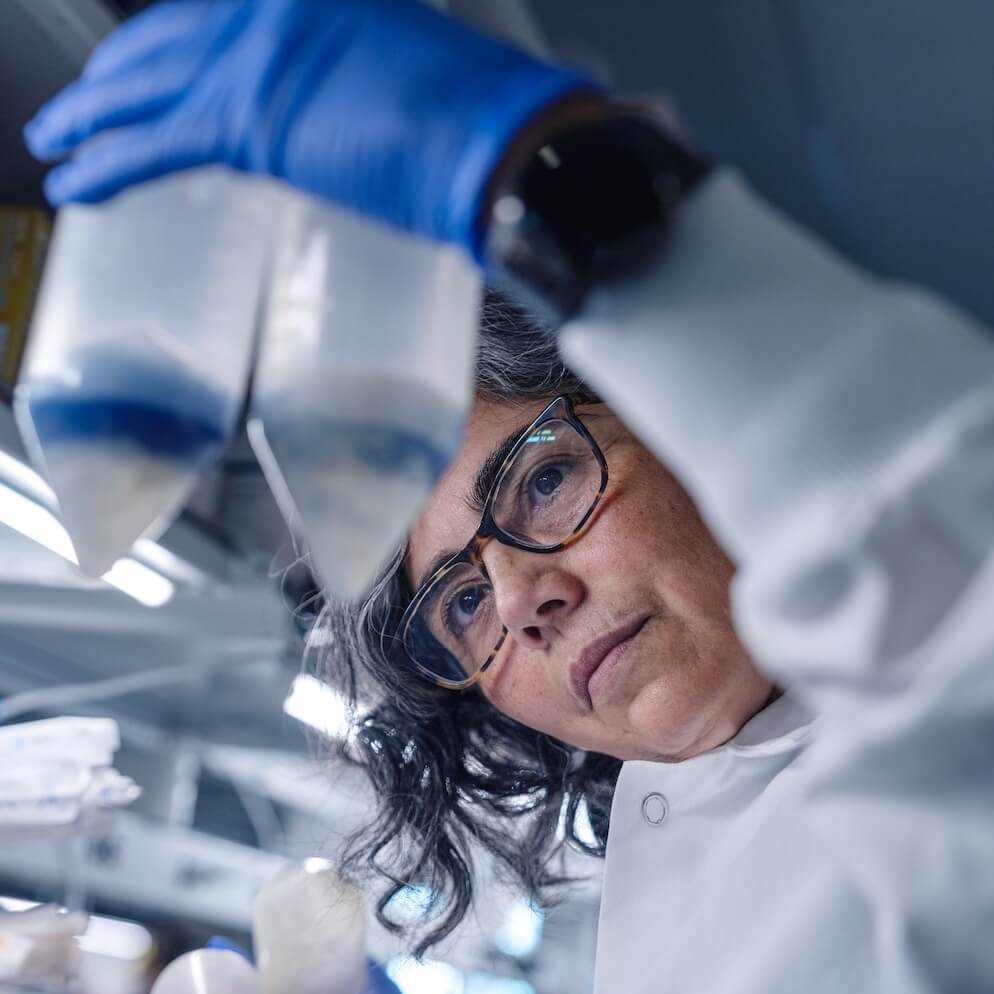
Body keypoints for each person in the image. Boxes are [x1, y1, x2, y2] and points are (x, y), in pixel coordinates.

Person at [25, 2, 994, 992]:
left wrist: (549, 178)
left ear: (678, 422)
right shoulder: (665, 862)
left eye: (541, 479)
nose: (523, 600)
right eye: (462, 601)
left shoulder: (933, 750)